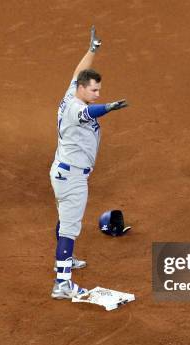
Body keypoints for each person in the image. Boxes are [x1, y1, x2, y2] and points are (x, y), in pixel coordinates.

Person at [50, 26, 129, 299]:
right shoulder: (76, 107)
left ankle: (64, 260)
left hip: (61, 169)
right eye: (94, 90)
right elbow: (90, 111)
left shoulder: (72, 90)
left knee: (65, 219)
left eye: (99, 90)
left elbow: (77, 71)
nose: (97, 93)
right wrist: (108, 107)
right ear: (83, 89)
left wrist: (92, 50)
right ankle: (62, 283)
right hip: (72, 176)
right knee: (70, 227)